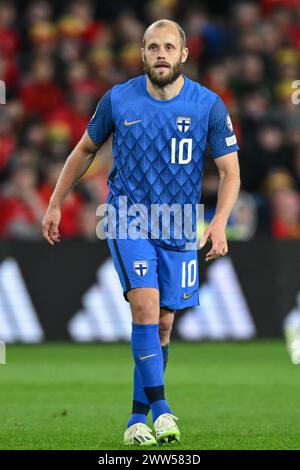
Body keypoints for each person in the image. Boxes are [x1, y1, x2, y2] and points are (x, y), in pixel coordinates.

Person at [42, 19, 240, 446]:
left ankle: (136, 420)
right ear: (143, 54)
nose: (161, 54)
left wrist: (220, 222)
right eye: (153, 47)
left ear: (184, 54)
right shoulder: (118, 100)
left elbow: (230, 173)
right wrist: (56, 202)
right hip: (127, 217)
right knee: (146, 308)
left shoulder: (208, 105)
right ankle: (164, 411)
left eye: (170, 46)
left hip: (181, 223)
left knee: (164, 324)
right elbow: (84, 150)